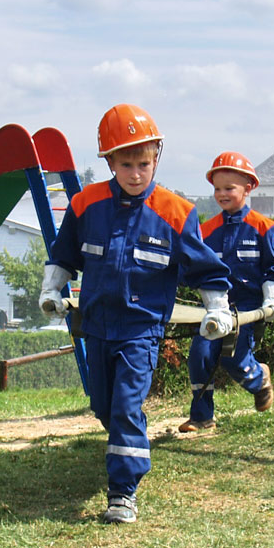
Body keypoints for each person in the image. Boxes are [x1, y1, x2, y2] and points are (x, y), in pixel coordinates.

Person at [39, 103, 231, 524]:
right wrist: (52, 289)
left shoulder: (176, 212)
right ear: (109, 161)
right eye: (126, 164)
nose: (136, 173)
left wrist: (218, 308)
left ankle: (122, 494)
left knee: (126, 406)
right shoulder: (85, 205)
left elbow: (204, 266)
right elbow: (64, 254)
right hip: (97, 326)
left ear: (156, 157)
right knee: (104, 407)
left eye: (144, 163)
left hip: (141, 330)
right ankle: (129, 444)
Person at [180, 151, 274, 432]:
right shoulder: (205, 231)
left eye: (229, 188)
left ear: (248, 188)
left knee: (232, 359)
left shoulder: (265, 228)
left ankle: (259, 379)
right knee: (199, 356)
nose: (222, 194)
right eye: (217, 188)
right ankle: (202, 417)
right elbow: (194, 268)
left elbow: (273, 270)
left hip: (248, 311)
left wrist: (272, 300)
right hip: (215, 309)